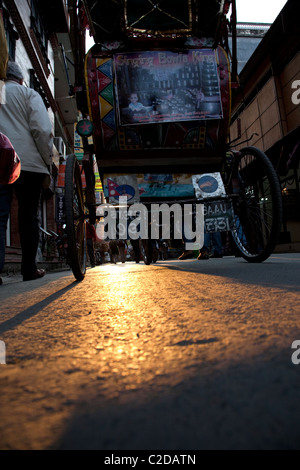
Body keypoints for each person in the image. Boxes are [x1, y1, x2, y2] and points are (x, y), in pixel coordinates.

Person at [0, 61, 54, 282]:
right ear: (20, 79)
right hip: (28, 164)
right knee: (28, 215)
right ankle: (29, 268)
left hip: (0, 160)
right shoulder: (29, 94)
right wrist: (47, 161)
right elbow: (41, 129)